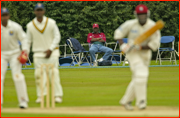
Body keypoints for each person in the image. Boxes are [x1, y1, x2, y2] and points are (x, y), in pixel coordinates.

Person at [114, 4, 161, 110]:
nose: (142, 17)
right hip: (132, 54)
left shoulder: (153, 26)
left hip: (145, 54)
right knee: (141, 74)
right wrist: (123, 45)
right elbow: (118, 33)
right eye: (140, 15)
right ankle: (141, 102)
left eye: (143, 14)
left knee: (139, 78)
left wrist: (140, 47)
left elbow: (154, 45)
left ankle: (126, 101)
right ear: (136, 15)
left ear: (147, 14)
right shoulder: (130, 24)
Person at [26, 3, 63, 103]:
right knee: (38, 75)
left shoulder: (51, 23)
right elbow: (27, 41)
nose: (39, 12)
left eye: (40, 10)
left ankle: (57, 95)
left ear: (44, 11)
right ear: (35, 11)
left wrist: (50, 49)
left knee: (53, 73)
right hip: (38, 53)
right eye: (37, 10)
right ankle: (41, 96)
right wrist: (25, 53)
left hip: (52, 53)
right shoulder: (30, 26)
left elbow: (57, 36)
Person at [1, 8, 29, 109]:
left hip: (14, 54)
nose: (4, 17)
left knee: (17, 76)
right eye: (2, 15)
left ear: (9, 16)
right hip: (2, 54)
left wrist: (25, 52)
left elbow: (24, 39)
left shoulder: (15, 26)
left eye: (6, 15)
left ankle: (23, 101)